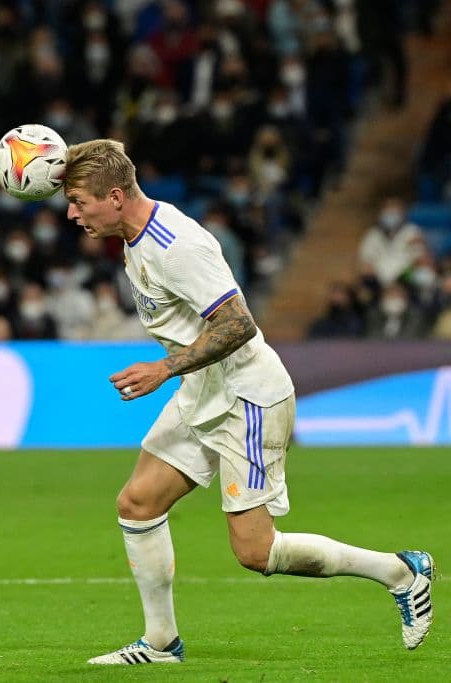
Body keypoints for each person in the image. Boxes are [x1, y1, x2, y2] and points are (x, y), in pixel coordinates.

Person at [59, 139, 433, 666]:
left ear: (116, 196)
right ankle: (162, 643)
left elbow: (238, 322)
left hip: (245, 398)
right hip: (204, 390)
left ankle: (400, 570)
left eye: (79, 202)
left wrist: (164, 368)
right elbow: (114, 150)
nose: (73, 214)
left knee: (256, 552)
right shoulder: (130, 232)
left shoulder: (176, 245)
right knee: (138, 503)